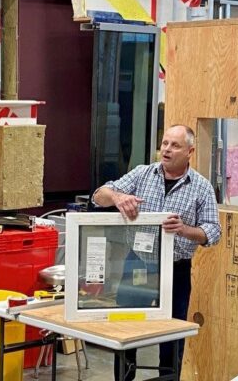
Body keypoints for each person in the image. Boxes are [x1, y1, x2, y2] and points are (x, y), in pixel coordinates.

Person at [93, 124, 221, 381]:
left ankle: (169, 378)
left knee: (171, 337)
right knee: (126, 331)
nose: (166, 150)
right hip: (138, 264)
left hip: (176, 269)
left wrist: (184, 230)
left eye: (175, 145)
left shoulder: (201, 187)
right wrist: (118, 197)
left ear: (190, 151)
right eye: (164, 143)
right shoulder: (142, 174)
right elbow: (99, 196)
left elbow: (213, 232)